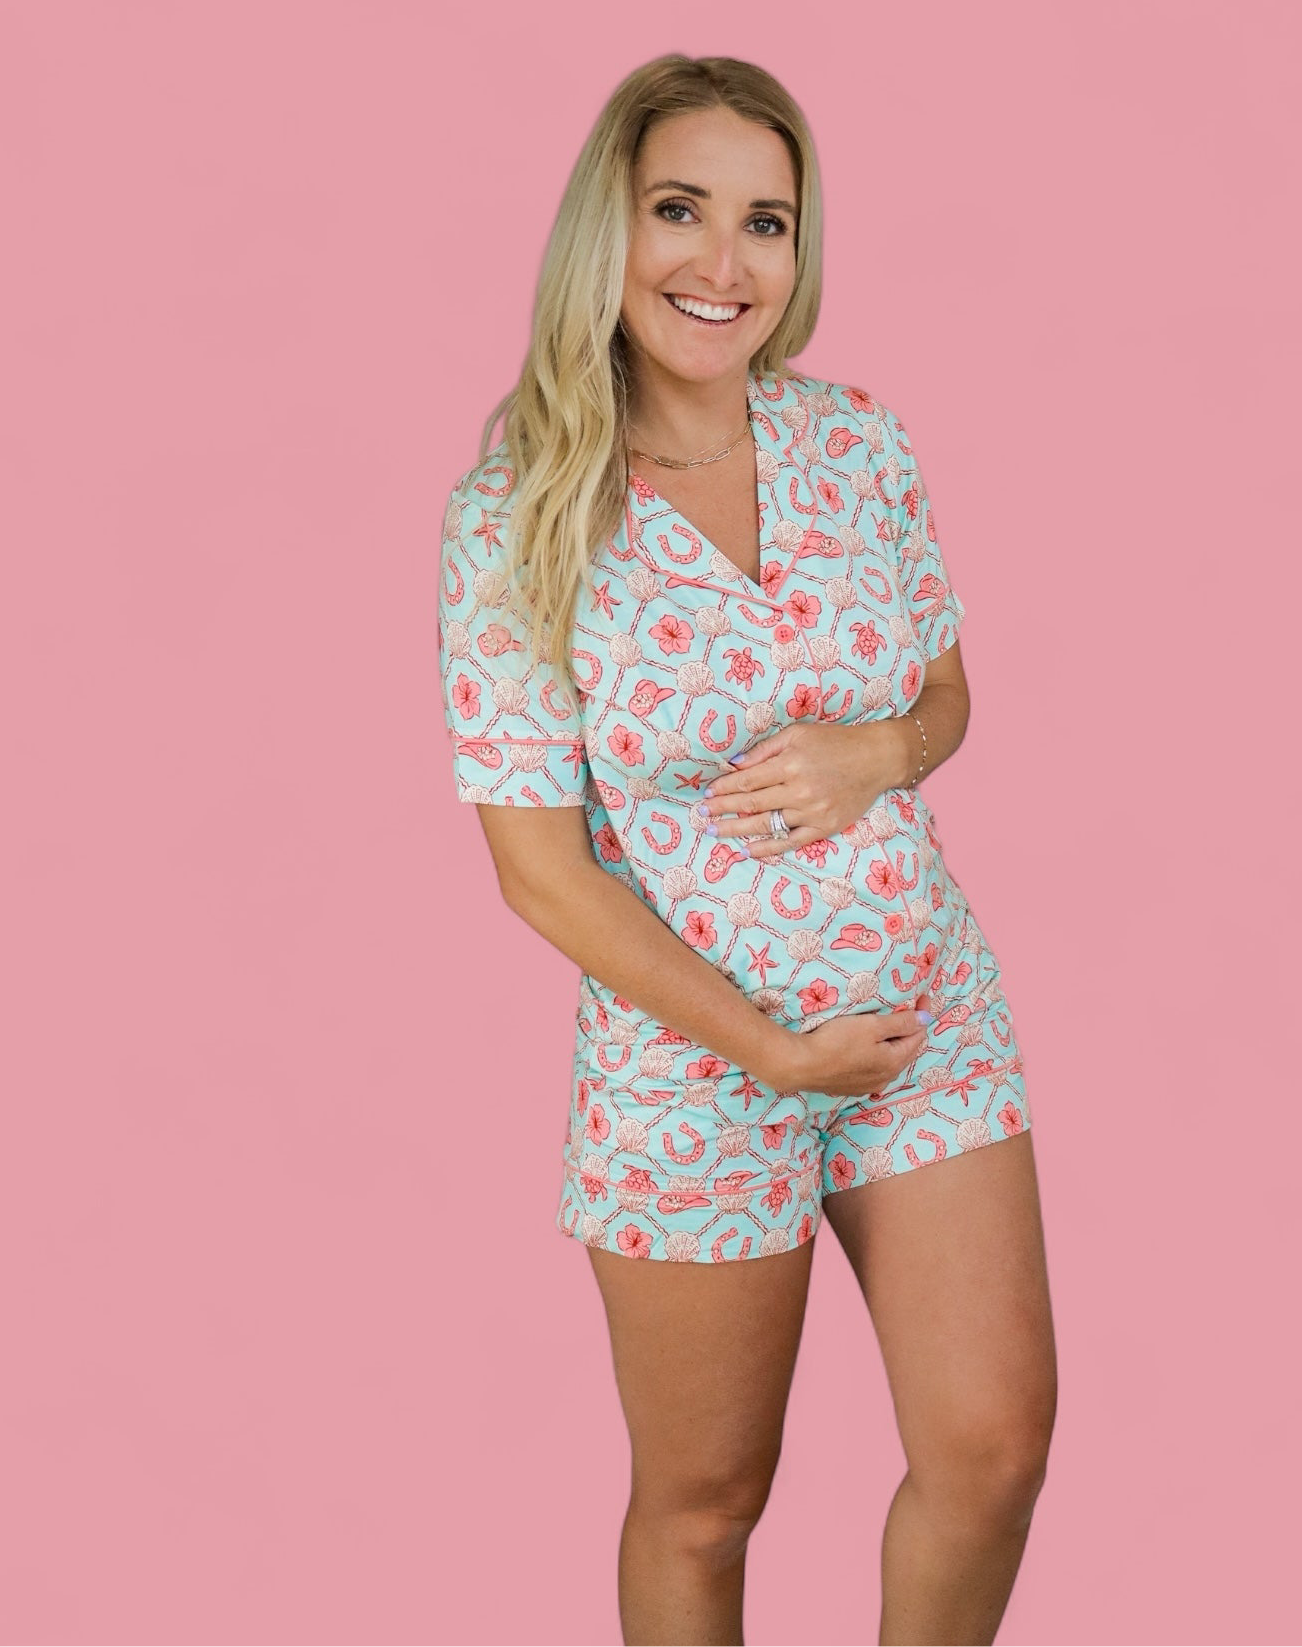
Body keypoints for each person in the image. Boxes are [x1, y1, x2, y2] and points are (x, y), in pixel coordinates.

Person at [436, 52, 1057, 1647]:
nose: (724, 262)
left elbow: (945, 691)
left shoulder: (857, 443)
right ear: (611, 228)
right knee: (707, 1501)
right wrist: (772, 1051)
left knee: (992, 1449)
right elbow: (539, 869)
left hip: (922, 1021)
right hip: (695, 1073)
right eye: (680, 210)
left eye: (765, 222)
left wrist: (883, 750)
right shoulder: (518, 512)